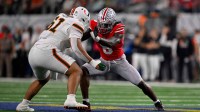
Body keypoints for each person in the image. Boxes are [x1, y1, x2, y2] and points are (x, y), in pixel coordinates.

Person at [16, 6, 106, 112]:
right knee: (76, 71)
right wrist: (92, 61)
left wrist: (90, 32)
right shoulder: (77, 23)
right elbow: (76, 47)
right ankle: (70, 99)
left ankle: (23, 105)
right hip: (47, 51)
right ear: (83, 19)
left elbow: (68, 40)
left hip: (35, 51)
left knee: (42, 79)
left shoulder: (61, 17)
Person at [80, 8, 164, 111]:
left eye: (105, 25)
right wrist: (75, 37)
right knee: (82, 70)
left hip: (119, 62)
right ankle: (86, 102)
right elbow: (82, 38)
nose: (102, 27)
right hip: (103, 62)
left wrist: (97, 38)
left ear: (112, 23)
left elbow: (113, 42)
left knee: (141, 84)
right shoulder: (94, 25)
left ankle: (157, 102)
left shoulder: (119, 28)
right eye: (100, 24)